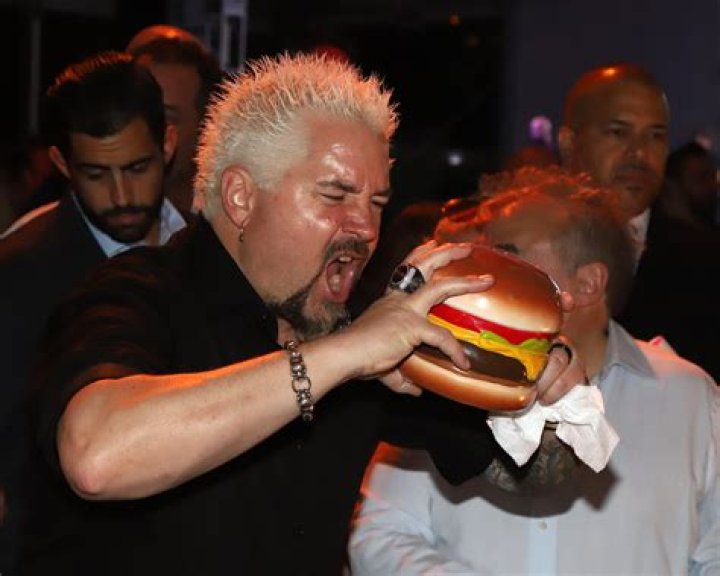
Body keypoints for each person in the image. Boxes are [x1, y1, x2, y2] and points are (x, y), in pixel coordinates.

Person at [18, 53, 583, 575]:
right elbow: (97, 458)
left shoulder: (358, 324)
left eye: (376, 203)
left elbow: (527, 472)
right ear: (241, 198)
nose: (364, 228)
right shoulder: (135, 291)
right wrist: (342, 356)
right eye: (335, 196)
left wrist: (551, 405)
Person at [350, 166, 720, 574]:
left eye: (506, 254)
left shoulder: (690, 396)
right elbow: (380, 537)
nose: (480, 271)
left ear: (587, 285)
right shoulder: (443, 380)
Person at [0, 51, 185, 575]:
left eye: (138, 168)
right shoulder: (19, 274)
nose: (122, 195)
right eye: (97, 174)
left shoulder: (206, 249)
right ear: (62, 165)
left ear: (168, 144)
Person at [557, 62, 720, 381]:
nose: (640, 154)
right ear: (568, 142)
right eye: (618, 133)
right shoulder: (526, 251)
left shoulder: (707, 264)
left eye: (655, 136)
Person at [127, 24, 224, 214]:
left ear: (206, 129)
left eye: (165, 118)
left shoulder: (233, 221)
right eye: (134, 113)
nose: (142, 130)